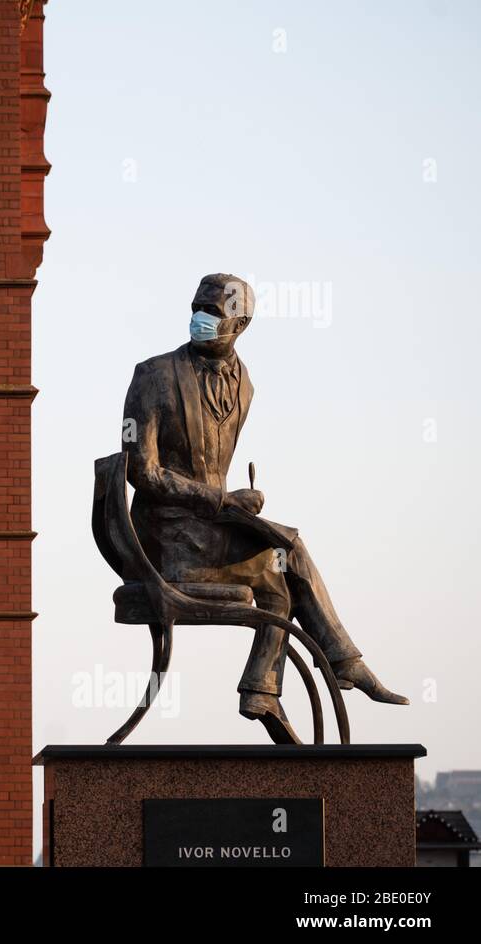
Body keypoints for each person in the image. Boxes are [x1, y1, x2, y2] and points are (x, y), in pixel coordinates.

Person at [121, 273, 408, 743]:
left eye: (215, 314)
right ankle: (343, 663)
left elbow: (210, 468)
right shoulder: (152, 375)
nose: (201, 320)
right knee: (288, 551)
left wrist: (240, 503)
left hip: (210, 528)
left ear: (241, 324)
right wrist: (219, 499)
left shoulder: (245, 386)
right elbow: (141, 472)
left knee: (279, 576)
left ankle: (263, 689)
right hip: (163, 537)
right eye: (198, 308)